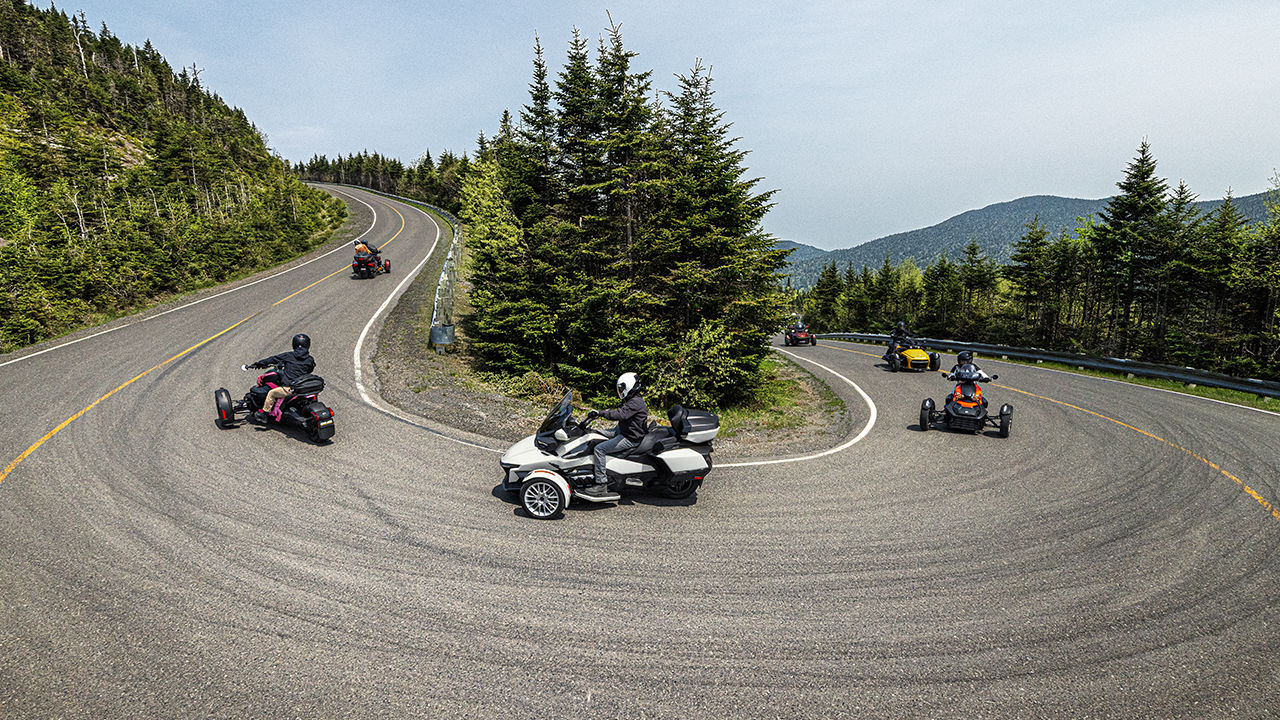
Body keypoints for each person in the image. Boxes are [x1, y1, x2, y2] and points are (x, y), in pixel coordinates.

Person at [582, 372, 648, 499]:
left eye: (622, 388)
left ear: (629, 386)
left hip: (630, 438)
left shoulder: (636, 402)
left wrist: (600, 413)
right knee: (594, 433)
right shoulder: (634, 399)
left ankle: (601, 484)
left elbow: (619, 414)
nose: (620, 391)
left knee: (599, 449)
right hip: (623, 430)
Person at [248, 333, 316, 420]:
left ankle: (264, 414)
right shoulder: (310, 359)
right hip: (302, 386)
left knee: (271, 393)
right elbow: (310, 369)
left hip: (290, 389)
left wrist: (258, 364)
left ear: (294, 344)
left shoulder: (289, 355)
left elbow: (272, 359)